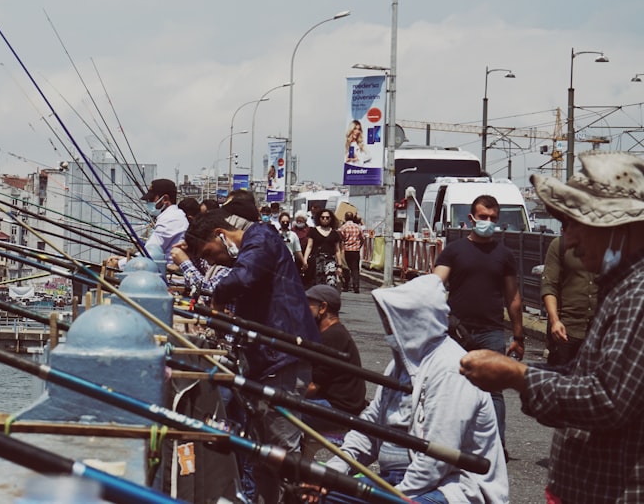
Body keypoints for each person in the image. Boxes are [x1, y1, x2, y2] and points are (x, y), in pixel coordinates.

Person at [460, 152, 644, 503]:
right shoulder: (622, 287)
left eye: (577, 224)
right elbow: (581, 376)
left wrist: (518, 376)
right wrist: (522, 373)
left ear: (617, 228)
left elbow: (607, 399)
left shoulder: (638, 294)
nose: (570, 239)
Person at [321, 275, 508, 504]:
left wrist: (392, 496)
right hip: (398, 481)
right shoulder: (400, 364)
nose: (387, 327)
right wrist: (331, 474)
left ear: (413, 320)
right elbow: (369, 428)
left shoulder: (451, 369)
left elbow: (436, 462)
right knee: (320, 494)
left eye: (393, 320)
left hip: (450, 486)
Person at [184, 209, 319, 503]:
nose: (212, 262)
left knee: (281, 447)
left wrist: (218, 297)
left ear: (221, 235)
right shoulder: (251, 247)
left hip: (283, 358)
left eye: (210, 253)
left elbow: (242, 278)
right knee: (260, 453)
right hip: (263, 360)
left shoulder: (261, 238)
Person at [432, 194, 522, 449]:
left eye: (493, 218)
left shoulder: (504, 255)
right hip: (456, 331)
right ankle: (448, 443)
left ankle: (495, 446)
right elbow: (435, 283)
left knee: (493, 391)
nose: (488, 222)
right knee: (451, 385)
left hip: (492, 330)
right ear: (471, 218)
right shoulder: (454, 251)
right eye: (483, 217)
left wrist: (518, 336)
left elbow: (513, 297)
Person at [303, 285, 366, 426]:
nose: (304, 310)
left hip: (340, 408)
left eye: (308, 305)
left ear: (323, 308)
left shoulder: (332, 336)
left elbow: (313, 387)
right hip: (336, 402)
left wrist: (284, 396)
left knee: (282, 411)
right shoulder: (330, 332)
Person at [104, 178, 188, 271]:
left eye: (151, 199)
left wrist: (118, 264)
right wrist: (124, 259)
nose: (148, 202)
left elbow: (150, 253)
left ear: (165, 199)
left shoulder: (171, 219)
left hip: (167, 274)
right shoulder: (172, 216)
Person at [540, 235, 596, 366]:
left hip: (597, 332)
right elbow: (549, 285)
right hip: (566, 330)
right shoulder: (559, 245)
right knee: (559, 379)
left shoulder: (608, 246)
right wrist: (554, 321)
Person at [303, 209, 343, 289]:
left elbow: (337, 250)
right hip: (316, 261)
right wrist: (305, 260)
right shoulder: (313, 231)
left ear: (331, 219)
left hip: (330, 261)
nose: (325, 219)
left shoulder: (335, 233)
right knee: (317, 284)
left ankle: (328, 300)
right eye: (323, 217)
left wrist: (339, 266)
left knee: (331, 283)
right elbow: (309, 246)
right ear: (319, 218)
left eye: (327, 218)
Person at [338, 212, 365, 293]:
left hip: (346, 250)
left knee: (346, 269)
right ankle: (356, 286)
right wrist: (359, 246)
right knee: (355, 269)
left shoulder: (343, 227)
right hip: (356, 251)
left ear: (345, 218)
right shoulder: (358, 227)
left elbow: (341, 239)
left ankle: (346, 286)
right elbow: (362, 238)